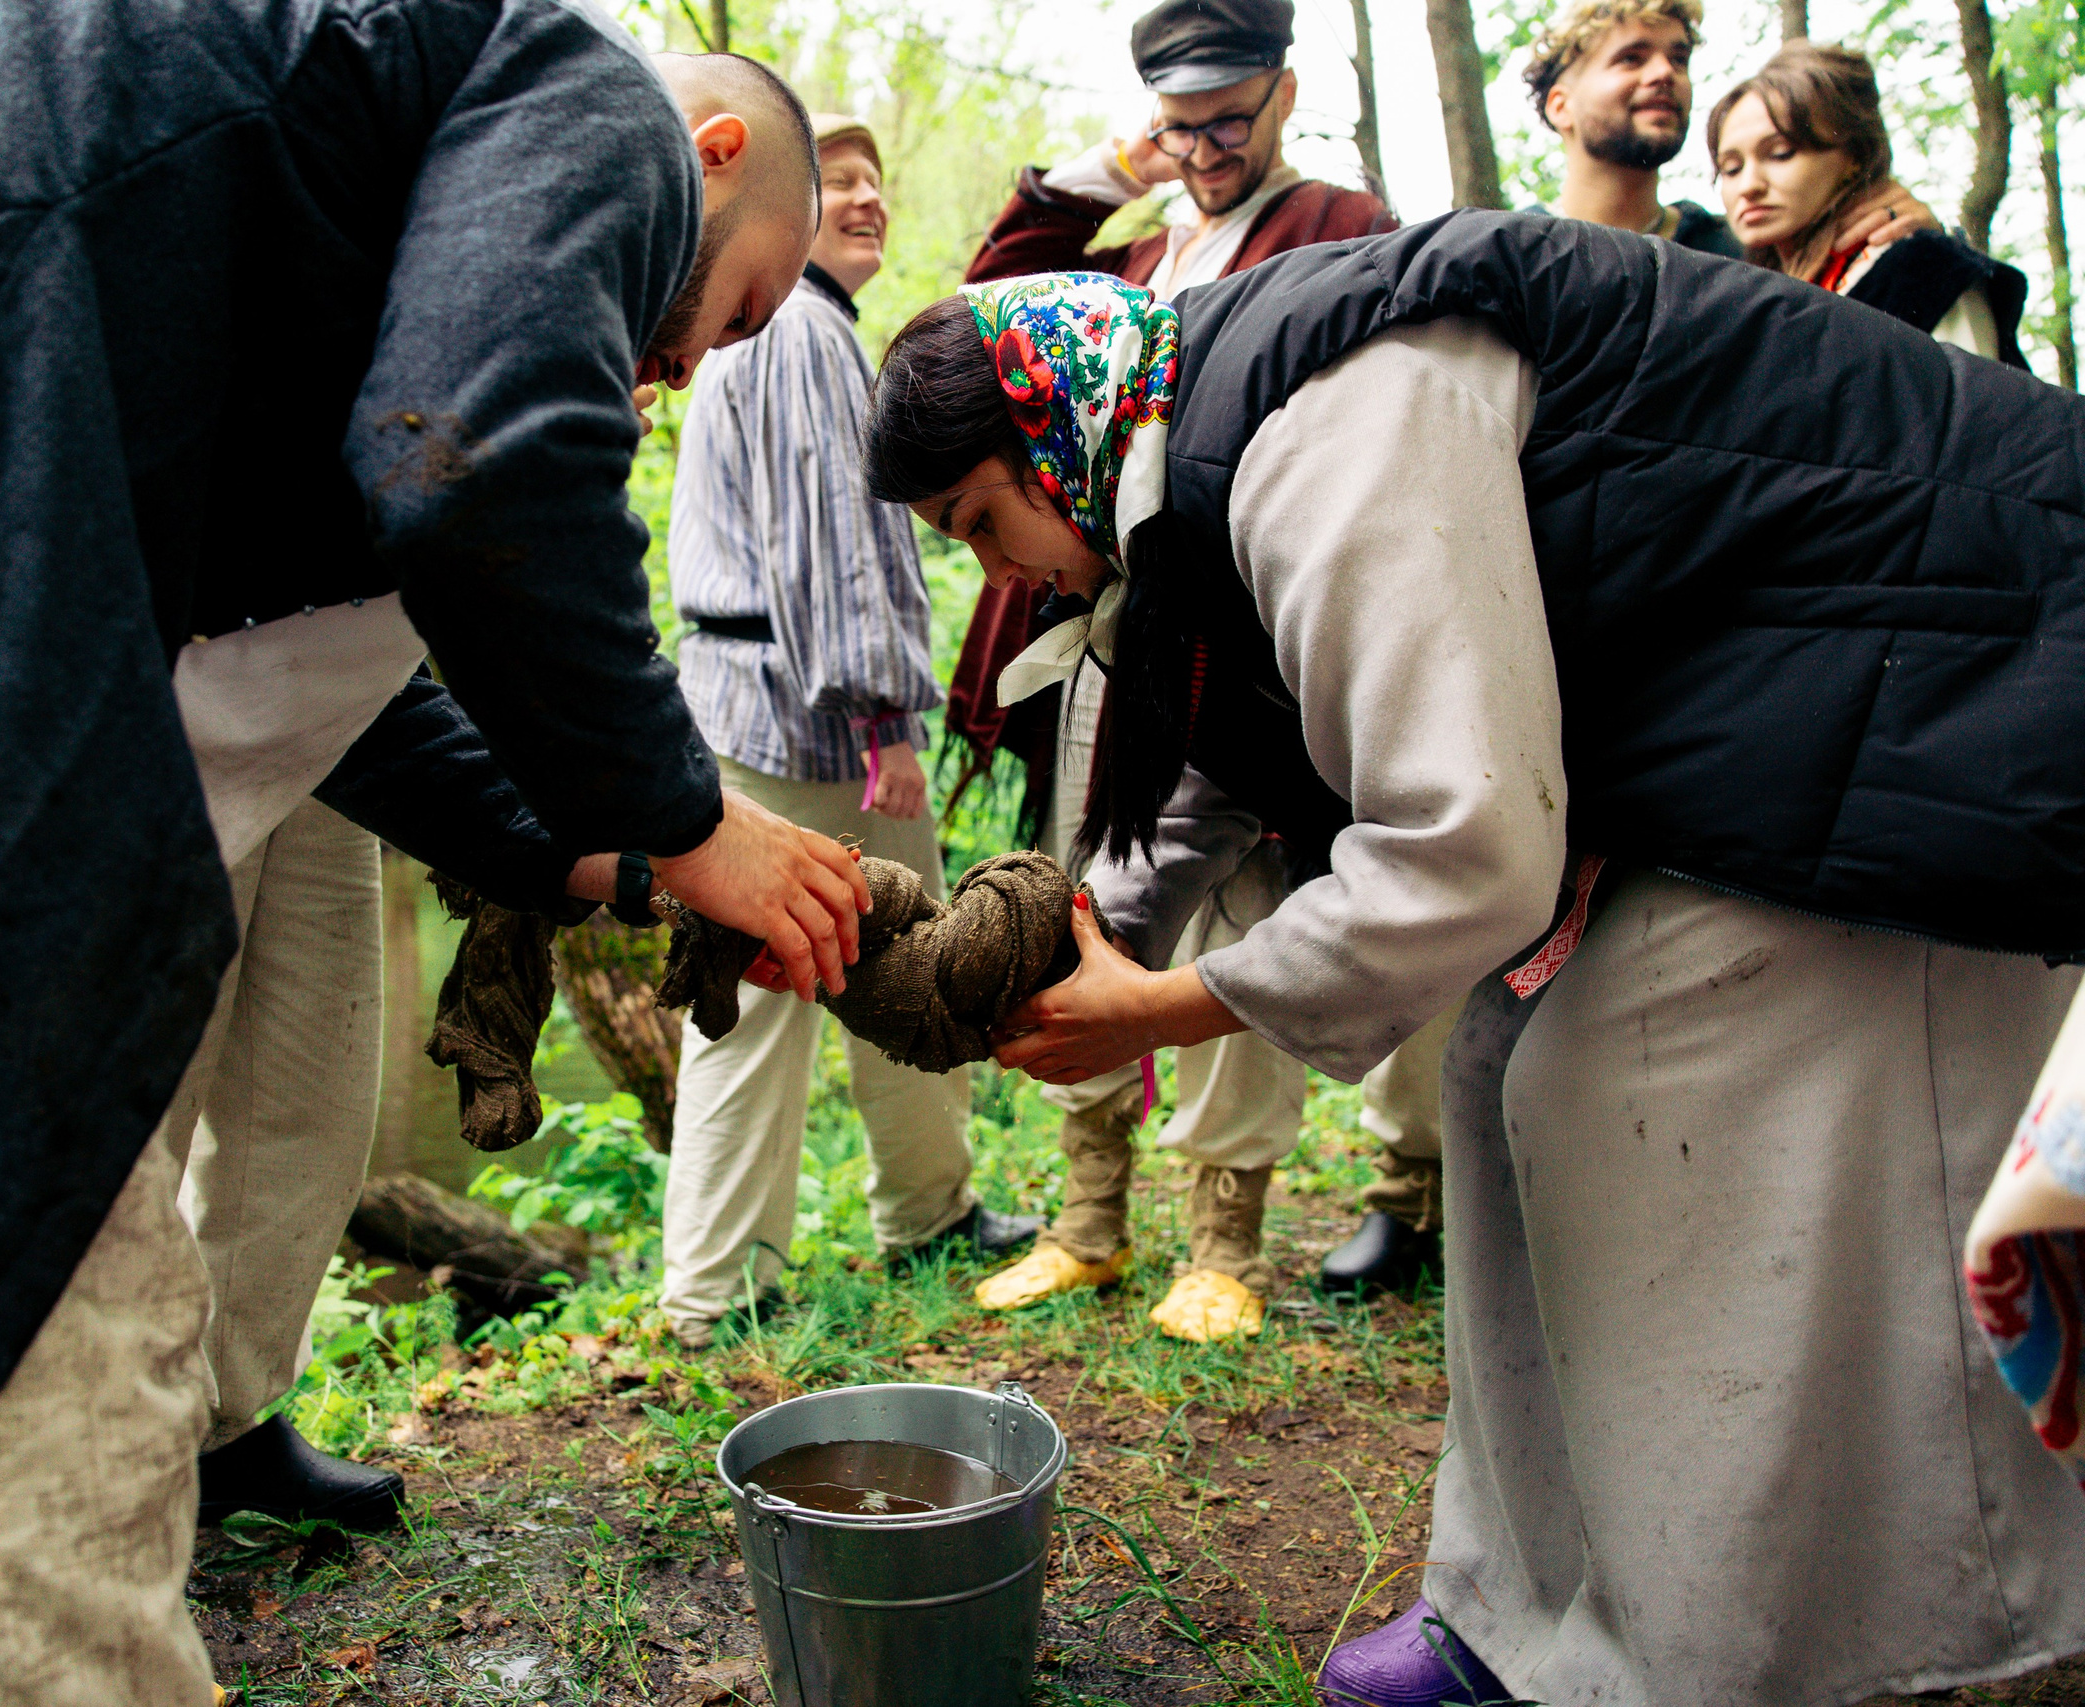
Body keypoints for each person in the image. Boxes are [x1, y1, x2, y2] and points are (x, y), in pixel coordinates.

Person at [0, 2, 858, 1698]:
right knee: (52, 1344)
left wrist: (607, 855)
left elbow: (331, 677)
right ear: (712, 154)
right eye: (734, 306)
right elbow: (470, 466)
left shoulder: (282, 251)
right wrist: (690, 815)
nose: (691, 368)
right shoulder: (581, 86)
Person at [863, 233, 2085, 1707]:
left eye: (982, 519)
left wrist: (1176, 1004)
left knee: (1618, 1099)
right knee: (1512, 1074)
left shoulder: (1328, 427)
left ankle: (1689, 1650)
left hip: (1936, 692)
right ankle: (1513, 1612)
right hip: (1766, 731)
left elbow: (1465, 845)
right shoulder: (1189, 446)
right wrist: (1063, 940)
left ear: (1048, 428)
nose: (999, 570)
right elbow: (1224, 758)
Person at [948, 0, 1436, 1324]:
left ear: (1282, 93)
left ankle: (1223, 1240)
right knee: (1087, 898)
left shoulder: (1341, 222)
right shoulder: (1146, 244)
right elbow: (976, 316)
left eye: (1232, 116)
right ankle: (1089, 1216)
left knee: (1236, 904)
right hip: (1104, 653)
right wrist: (1108, 175)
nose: (1213, 147)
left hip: (1247, 653)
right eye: (1183, 124)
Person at [659, 113, 1040, 1349]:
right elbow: (828, 556)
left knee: (843, 969)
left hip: (760, 703)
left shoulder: (779, 329)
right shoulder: (802, 338)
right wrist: (884, 723)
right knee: (816, 981)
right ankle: (724, 1284)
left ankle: (912, 1212)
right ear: (787, 206)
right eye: (838, 183)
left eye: (880, 181)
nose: (866, 200)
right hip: (808, 721)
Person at [1521, 0, 1933, 257]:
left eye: (1679, 59)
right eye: (1632, 58)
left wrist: (1918, 226)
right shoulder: (1520, 252)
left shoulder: (1753, 249)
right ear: (1562, 106)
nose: (1665, 72)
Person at [1711, 40, 2027, 360]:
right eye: (1731, 168)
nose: (1748, 185)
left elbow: (1978, 407)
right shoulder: (1748, 299)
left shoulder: (1923, 272)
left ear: (1854, 157)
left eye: (1780, 153)